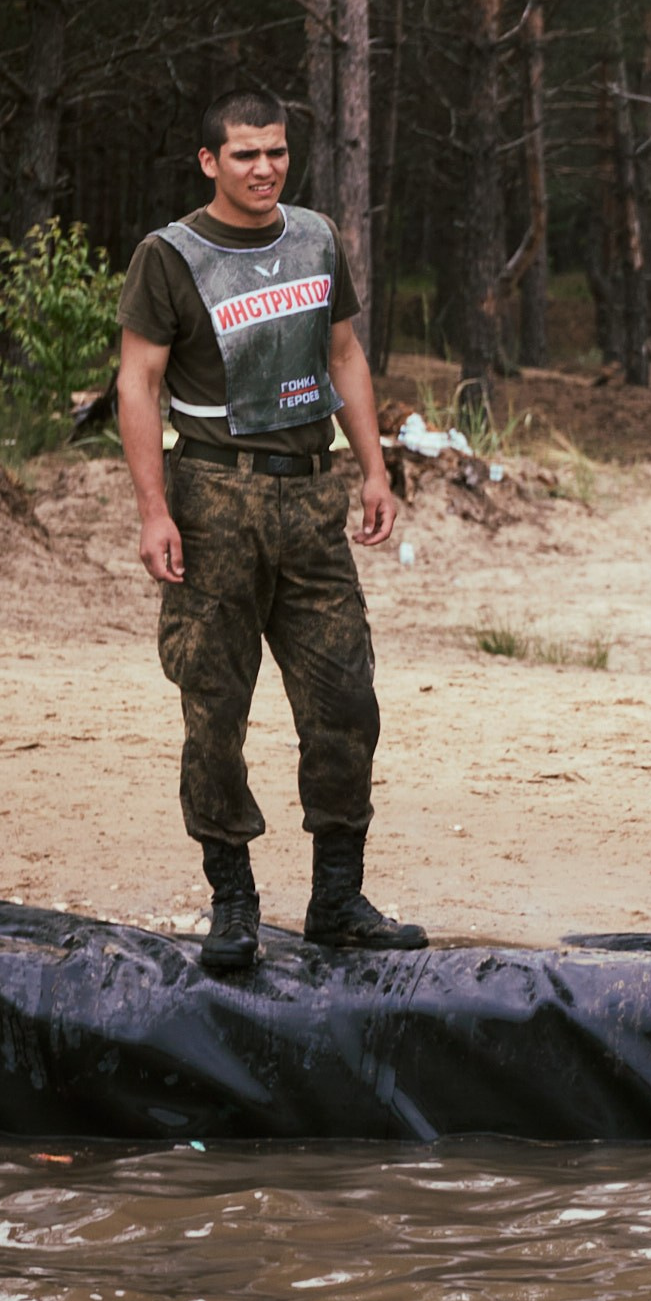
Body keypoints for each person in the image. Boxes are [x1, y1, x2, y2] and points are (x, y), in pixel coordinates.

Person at [116, 87, 426, 974]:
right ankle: (234, 900)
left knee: (345, 702)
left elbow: (343, 355)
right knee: (214, 707)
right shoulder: (168, 256)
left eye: (277, 152)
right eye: (245, 154)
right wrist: (153, 511)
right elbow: (138, 383)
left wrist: (373, 468)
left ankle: (337, 898)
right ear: (209, 162)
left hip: (309, 499)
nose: (264, 169)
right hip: (213, 496)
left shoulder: (317, 237)